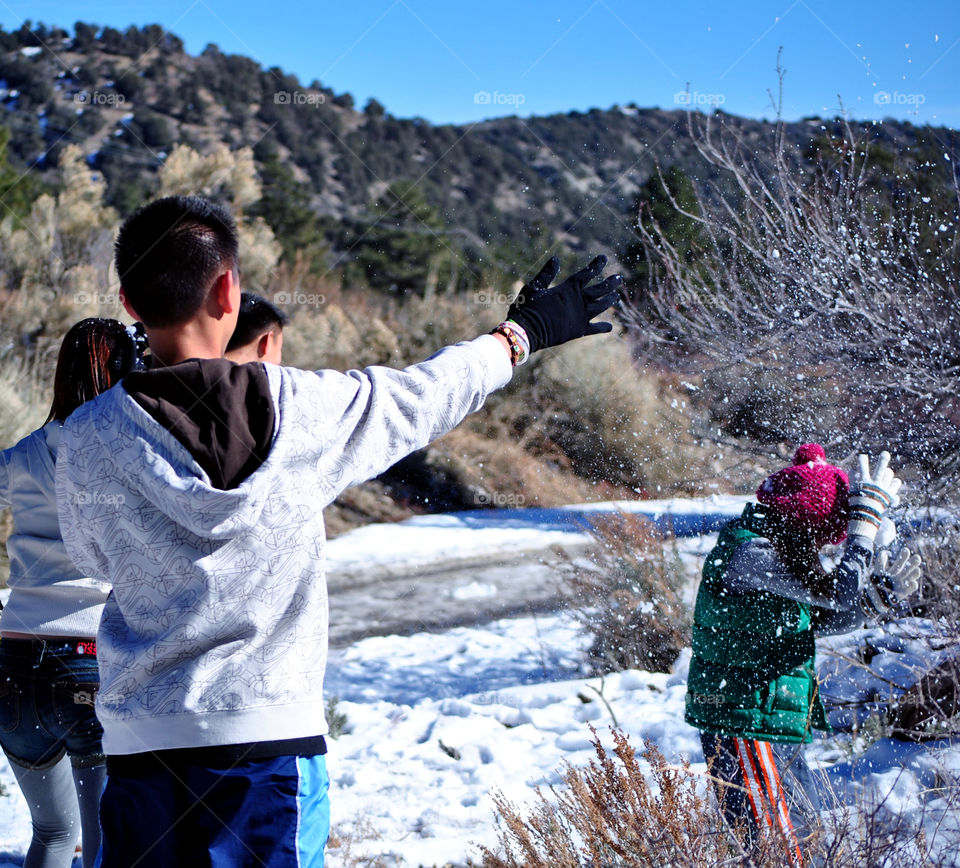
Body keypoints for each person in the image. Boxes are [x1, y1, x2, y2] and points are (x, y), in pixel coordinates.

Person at [54, 194, 621, 867]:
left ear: (127, 299)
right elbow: (424, 394)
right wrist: (520, 334)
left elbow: (89, 557)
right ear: (228, 289)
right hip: (265, 741)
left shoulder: (88, 436)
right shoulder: (303, 408)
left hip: (141, 747)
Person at [685, 444, 921, 864]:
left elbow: (816, 618)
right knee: (784, 851)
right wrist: (864, 527)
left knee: (802, 840)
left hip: (767, 718)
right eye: (824, 534)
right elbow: (836, 594)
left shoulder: (777, 551)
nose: (825, 545)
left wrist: (877, 601)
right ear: (804, 520)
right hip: (743, 720)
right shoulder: (753, 552)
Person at [0, 318, 145, 868]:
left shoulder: (20, 456)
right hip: (88, 661)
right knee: (105, 842)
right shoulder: (128, 453)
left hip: (13, 662)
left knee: (53, 835)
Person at [224, 291, 288, 364]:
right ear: (267, 342)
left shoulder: (210, 365)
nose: (279, 360)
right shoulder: (257, 374)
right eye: (279, 348)